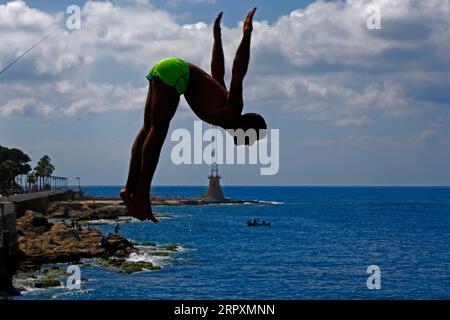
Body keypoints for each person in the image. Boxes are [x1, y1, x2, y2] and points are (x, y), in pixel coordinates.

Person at [120, 8, 266, 222]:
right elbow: (238, 71)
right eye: (250, 140)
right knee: (158, 130)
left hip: (167, 69)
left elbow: (218, 71)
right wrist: (247, 34)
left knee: (148, 129)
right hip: (177, 73)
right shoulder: (234, 109)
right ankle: (142, 193)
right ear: (247, 127)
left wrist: (217, 37)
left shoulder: (224, 108)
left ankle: (129, 189)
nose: (247, 145)